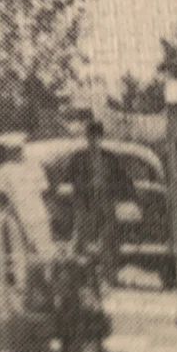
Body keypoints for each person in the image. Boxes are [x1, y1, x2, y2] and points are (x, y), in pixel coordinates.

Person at [58, 119, 138, 287]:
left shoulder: (109, 158)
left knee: (109, 240)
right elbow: (65, 180)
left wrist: (127, 198)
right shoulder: (78, 158)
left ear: (101, 137)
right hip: (85, 204)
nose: (94, 140)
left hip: (106, 202)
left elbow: (124, 179)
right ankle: (82, 279)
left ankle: (110, 277)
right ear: (87, 138)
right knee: (82, 241)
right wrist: (73, 192)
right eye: (91, 137)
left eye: (97, 137)